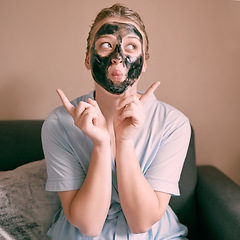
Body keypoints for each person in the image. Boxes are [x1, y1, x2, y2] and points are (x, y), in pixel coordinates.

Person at [41, 3, 191, 240]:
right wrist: (101, 145)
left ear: (145, 62)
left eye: (131, 46)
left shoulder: (174, 124)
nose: (118, 57)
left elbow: (141, 222)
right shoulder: (58, 123)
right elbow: (88, 226)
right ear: (88, 59)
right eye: (106, 45)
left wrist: (125, 140)